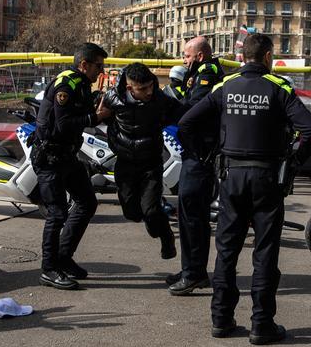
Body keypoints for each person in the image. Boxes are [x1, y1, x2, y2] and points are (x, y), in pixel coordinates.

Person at [178, 33, 311, 345]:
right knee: (265, 251)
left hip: (231, 176)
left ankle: (221, 319)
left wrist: (204, 156)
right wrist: (293, 162)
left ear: (242, 56)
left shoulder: (224, 86)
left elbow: (186, 122)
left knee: (227, 249)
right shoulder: (279, 87)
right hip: (267, 178)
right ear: (268, 57)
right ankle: (261, 324)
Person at [33, 42, 111, 290]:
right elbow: (64, 125)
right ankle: (49, 269)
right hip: (50, 157)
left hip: (67, 156)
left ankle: (64, 258)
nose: (101, 70)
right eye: (98, 66)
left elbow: (82, 114)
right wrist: (96, 117)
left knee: (87, 202)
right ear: (84, 64)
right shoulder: (66, 83)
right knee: (57, 213)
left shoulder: (82, 84)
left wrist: (97, 104)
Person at [101, 62, 186, 262]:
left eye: (151, 86)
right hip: (125, 162)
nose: (149, 92)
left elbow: (182, 114)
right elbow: (100, 114)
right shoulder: (113, 98)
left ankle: (166, 237)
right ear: (130, 88)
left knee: (152, 209)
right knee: (132, 212)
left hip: (151, 163)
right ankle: (150, 220)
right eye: (143, 89)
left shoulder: (159, 99)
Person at [167, 36, 225, 295]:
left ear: (200, 56)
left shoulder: (208, 72)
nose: (183, 60)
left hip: (200, 156)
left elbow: (192, 108)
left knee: (191, 216)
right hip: (196, 155)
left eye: (186, 56)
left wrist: (170, 101)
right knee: (191, 216)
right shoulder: (200, 73)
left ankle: (193, 274)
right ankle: (193, 270)